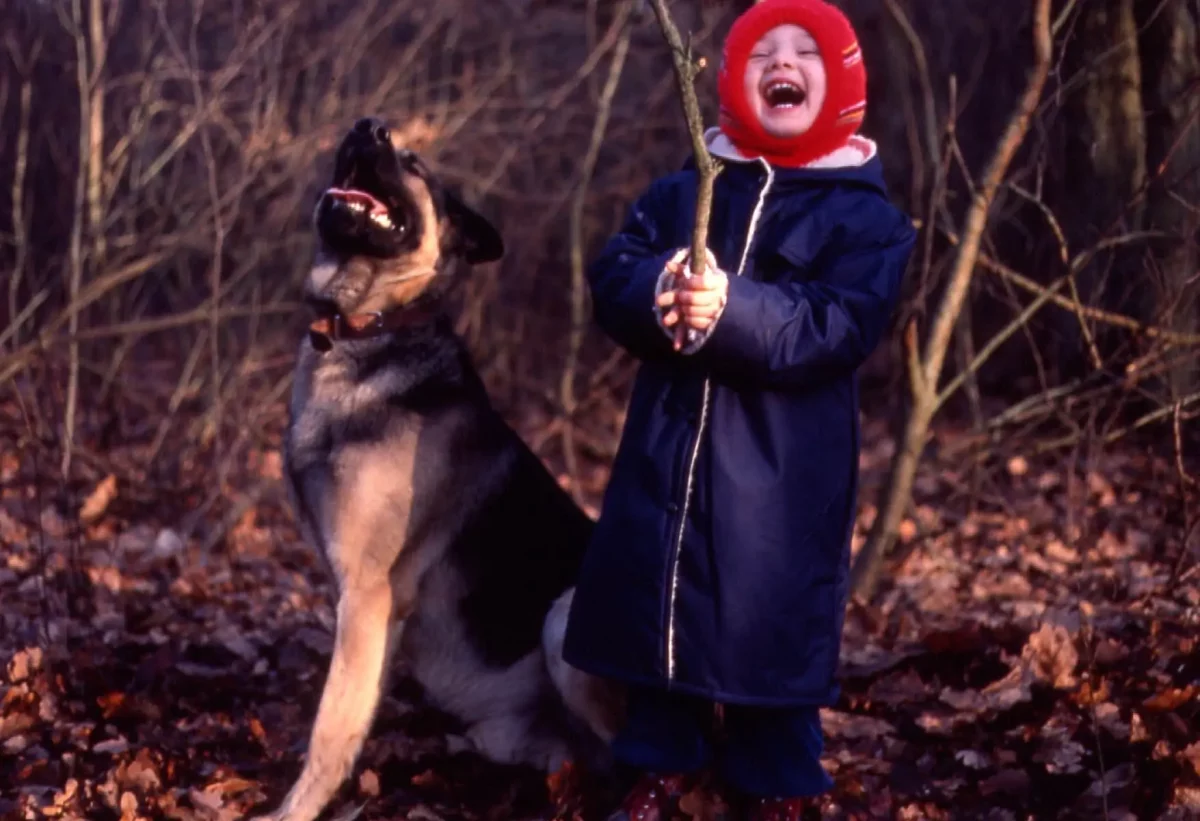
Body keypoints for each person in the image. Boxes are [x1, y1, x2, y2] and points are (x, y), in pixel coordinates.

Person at [561, 1, 918, 819]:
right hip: (669, 455)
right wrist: (660, 290)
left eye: (804, 52)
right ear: (727, 81)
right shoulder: (686, 187)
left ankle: (780, 779)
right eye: (761, 52)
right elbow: (614, 270)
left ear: (844, 84)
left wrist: (733, 309)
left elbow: (837, 322)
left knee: (772, 631)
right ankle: (660, 764)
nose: (780, 63)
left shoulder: (866, 217)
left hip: (784, 480)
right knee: (662, 617)